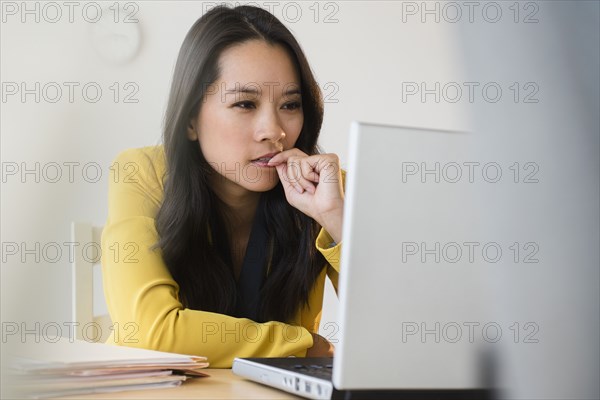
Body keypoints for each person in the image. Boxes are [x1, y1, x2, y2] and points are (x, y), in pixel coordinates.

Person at [101, 5, 344, 368]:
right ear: (190, 120)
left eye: (290, 104)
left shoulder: (325, 188)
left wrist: (336, 220)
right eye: (245, 103)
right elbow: (149, 333)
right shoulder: (142, 172)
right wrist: (301, 344)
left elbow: (397, 329)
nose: (274, 131)